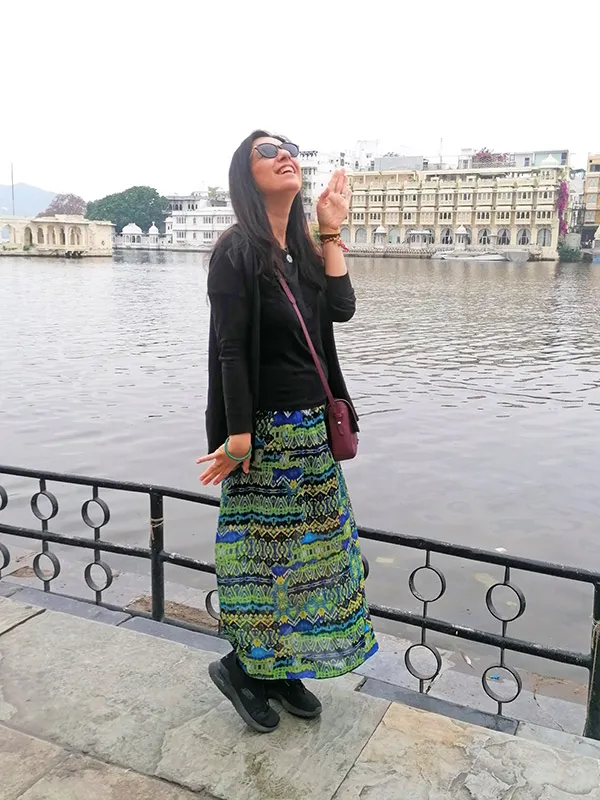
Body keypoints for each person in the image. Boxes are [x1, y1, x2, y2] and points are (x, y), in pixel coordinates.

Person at [197, 130, 378, 734]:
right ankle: (242, 667)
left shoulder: (302, 247)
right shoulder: (237, 251)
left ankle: (277, 669)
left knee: (315, 562)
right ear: (245, 175)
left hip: (314, 435)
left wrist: (330, 229)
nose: (284, 156)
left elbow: (342, 308)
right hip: (266, 439)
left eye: (290, 148)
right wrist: (238, 437)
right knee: (263, 564)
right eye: (267, 150)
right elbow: (229, 349)